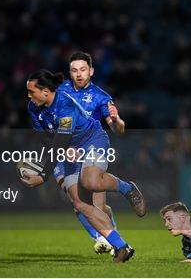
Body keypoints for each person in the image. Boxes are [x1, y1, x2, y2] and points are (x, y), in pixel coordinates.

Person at [20, 69, 146, 263]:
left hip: (92, 140)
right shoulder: (33, 107)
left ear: (45, 91)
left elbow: (61, 140)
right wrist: (63, 151)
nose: (28, 96)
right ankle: (121, 246)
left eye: (31, 91)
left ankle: (127, 188)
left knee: (91, 181)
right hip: (66, 149)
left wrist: (43, 176)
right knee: (80, 204)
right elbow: (45, 138)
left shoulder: (65, 104)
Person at [54, 51, 125, 255]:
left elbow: (117, 128)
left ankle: (109, 239)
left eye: (83, 70)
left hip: (90, 149)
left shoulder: (101, 96)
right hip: (65, 152)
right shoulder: (60, 92)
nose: (78, 74)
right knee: (79, 205)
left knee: (98, 207)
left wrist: (117, 121)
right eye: (74, 70)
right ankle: (104, 239)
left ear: (91, 71)